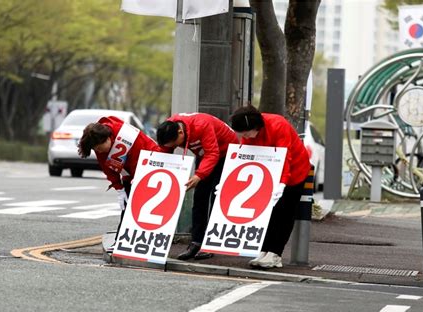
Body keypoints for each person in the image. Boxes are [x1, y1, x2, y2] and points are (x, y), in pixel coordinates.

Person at [230, 105, 311, 269]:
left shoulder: (278, 125)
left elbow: (285, 157)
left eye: (245, 133)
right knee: (267, 213)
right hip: (268, 173)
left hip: (294, 171)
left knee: (284, 212)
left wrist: (282, 183)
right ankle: (264, 250)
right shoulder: (249, 134)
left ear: (256, 127)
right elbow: (246, 156)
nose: (244, 136)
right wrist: (231, 184)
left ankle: (275, 253)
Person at [156, 112, 238, 260]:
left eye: (176, 143)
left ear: (180, 131)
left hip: (225, 153)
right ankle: (196, 242)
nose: (176, 147)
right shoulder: (171, 129)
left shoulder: (202, 124)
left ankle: (210, 244)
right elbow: (164, 152)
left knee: (216, 196)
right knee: (199, 197)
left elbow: (213, 153)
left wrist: (199, 175)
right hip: (204, 155)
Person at [78, 116, 160, 245]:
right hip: (127, 172)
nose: (99, 151)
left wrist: (137, 180)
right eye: (96, 150)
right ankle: (123, 242)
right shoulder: (99, 142)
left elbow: (137, 160)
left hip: (150, 163)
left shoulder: (126, 136)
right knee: (127, 206)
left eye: (100, 148)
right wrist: (119, 188)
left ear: (108, 137)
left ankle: (143, 242)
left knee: (144, 208)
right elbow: (107, 166)